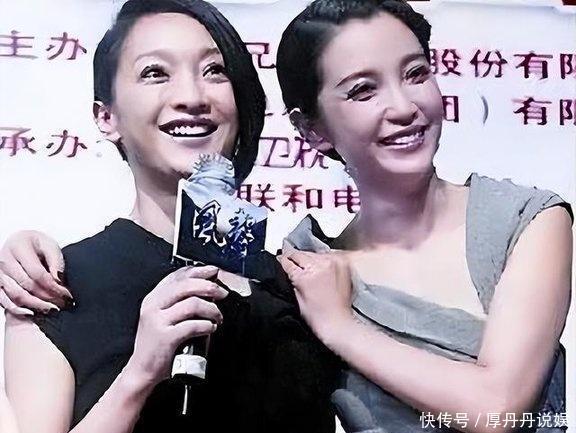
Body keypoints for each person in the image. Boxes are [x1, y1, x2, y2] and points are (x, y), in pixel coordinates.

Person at [0, 1, 337, 432]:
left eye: (214, 71)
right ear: (106, 117)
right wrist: (140, 374)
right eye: (155, 73)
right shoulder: (51, 286)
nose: (193, 97)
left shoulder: (295, 285)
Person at [274, 1, 572, 432]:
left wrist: (342, 329)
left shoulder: (525, 222)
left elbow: (498, 410)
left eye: (416, 74)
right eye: (363, 90)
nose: (403, 107)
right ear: (311, 130)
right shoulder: (308, 273)